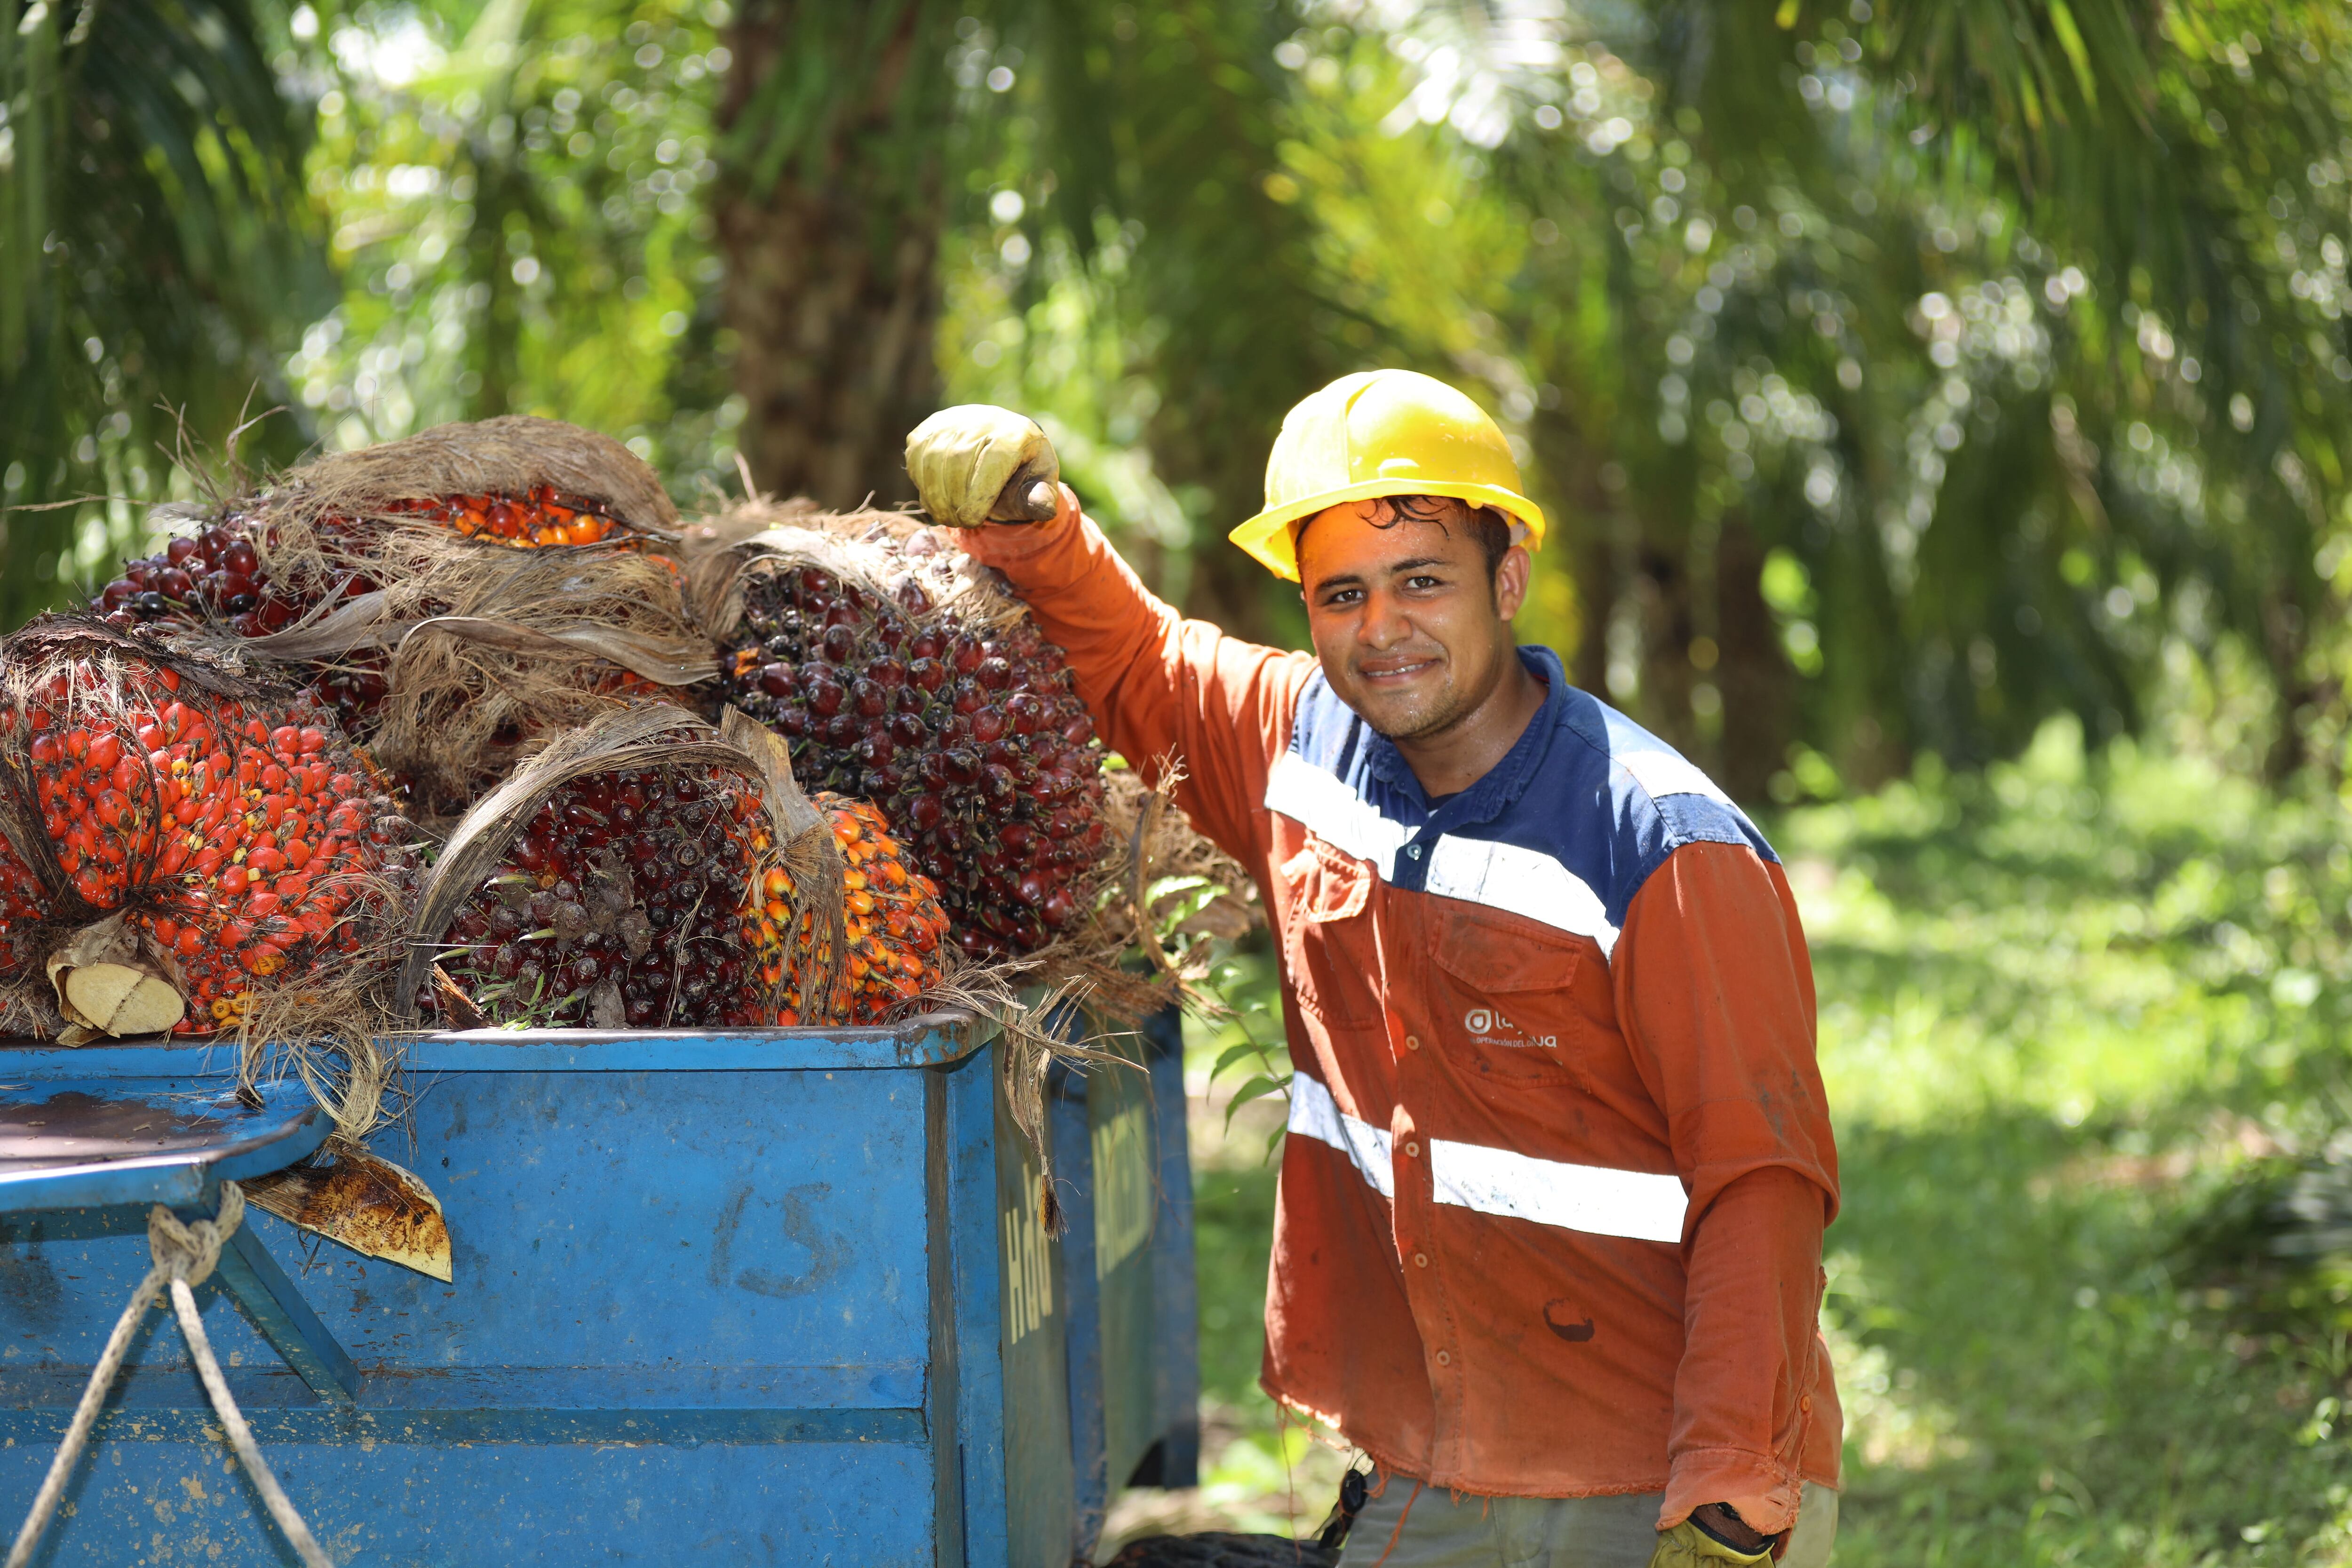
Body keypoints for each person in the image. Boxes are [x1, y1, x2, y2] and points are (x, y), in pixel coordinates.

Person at [906, 370, 1842, 1568]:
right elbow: (1140, 661)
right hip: (1438, 1469)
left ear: (1506, 580)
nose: (1380, 628)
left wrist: (1729, 1499)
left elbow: (1760, 1177)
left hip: (1655, 1477)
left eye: (1421, 581)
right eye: (1340, 593)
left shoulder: (1659, 843)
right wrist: (1030, 525)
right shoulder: (1305, 752)